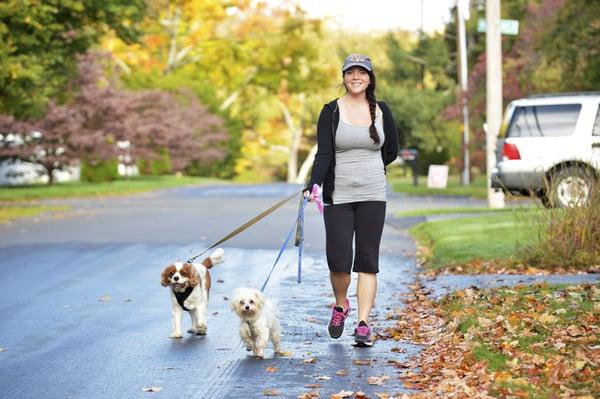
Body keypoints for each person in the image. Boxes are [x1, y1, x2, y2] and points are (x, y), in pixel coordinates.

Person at [303, 54, 399, 347]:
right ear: (344, 77)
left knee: (368, 260)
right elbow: (324, 153)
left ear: (370, 78)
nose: (356, 77)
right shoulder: (331, 111)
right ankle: (341, 305)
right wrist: (314, 183)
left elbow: (391, 149)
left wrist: (370, 170)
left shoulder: (382, 110)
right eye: (350, 72)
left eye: (362, 72)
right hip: (339, 195)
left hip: (373, 194)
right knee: (340, 260)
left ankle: (363, 323)